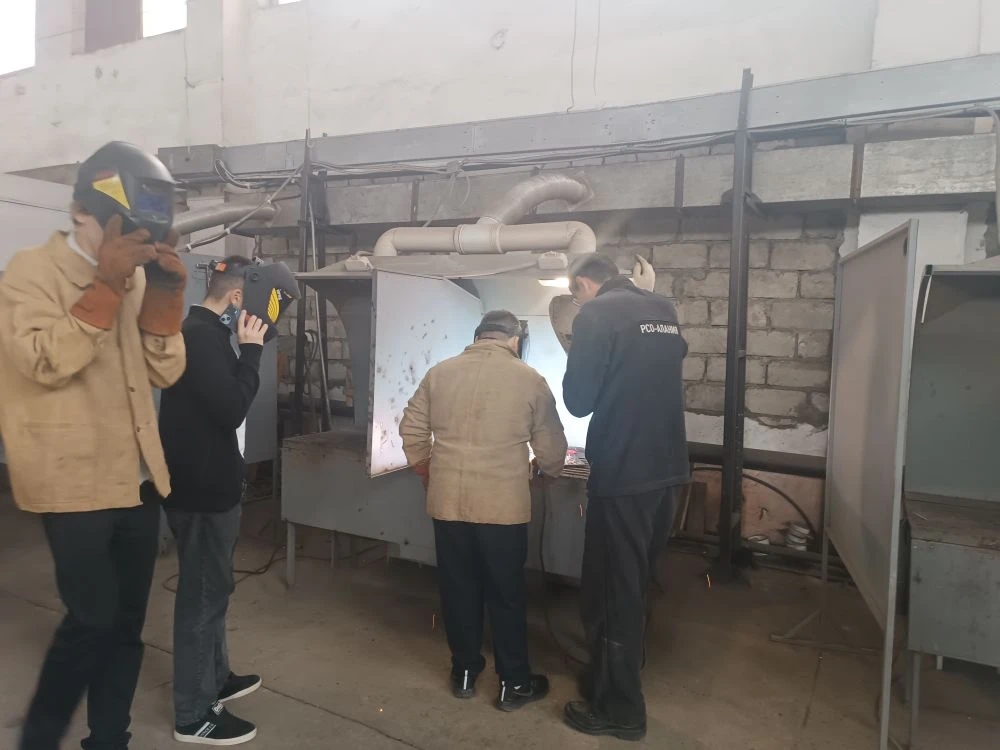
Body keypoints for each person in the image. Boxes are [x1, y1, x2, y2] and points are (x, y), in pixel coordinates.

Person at [0, 141, 187, 750]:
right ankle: (37, 740)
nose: (130, 243)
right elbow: (43, 360)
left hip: (136, 481)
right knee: (91, 620)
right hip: (71, 483)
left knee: (126, 626)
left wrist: (163, 301)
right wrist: (105, 286)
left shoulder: (135, 279)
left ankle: (109, 739)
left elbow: (165, 373)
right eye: (121, 229)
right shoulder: (30, 272)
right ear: (83, 210)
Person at [399, 310, 568, 711]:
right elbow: (551, 448)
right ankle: (513, 683)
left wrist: (428, 473)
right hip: (502, 509)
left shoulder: (440, 373)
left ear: (478, 337)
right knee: (506, 594)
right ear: (515, 340)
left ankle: (463, 672)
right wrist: (548, 472)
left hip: (448, 505)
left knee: (458, 588)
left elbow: (412, 431)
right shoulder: (529, 379)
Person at [560, 253, 689, 741]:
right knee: (634, 583)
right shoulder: (663, 308)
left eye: (573, 294)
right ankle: (613, 674)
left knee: (611, 590)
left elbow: (578, 401)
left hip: (624, 470)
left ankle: (620, 710)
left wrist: (574, 347)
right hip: (667, 468)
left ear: (581, 284)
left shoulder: (595, 314)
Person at [157, 256, 269, 745]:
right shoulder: (201, 338)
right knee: (202, 599)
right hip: (200, 495)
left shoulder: (205, 334)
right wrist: (252, 353)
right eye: (257, 306)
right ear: (237, 297)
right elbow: (231, 409)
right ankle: (194, 714)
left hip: (208, 488)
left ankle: (216, 679)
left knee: (213, 591)